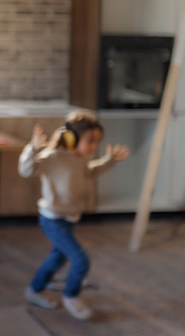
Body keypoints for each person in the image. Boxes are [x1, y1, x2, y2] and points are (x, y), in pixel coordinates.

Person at [18, 111, 130, 320]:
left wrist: (109, 160)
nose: (94, 146)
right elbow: (26, 170)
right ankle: (72, 296)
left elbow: (90, 171)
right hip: (52, 218)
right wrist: (32, 148)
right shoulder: (52, 157)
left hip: (69, 218)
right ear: (71, 137)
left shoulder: (79, 159)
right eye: (90, 141)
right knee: (80, 259)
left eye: (97, 142)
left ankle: (35, 290)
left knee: (57, 258)